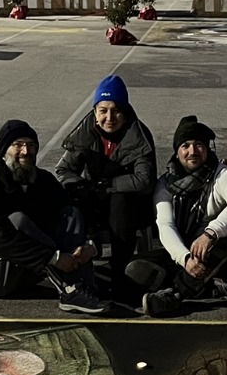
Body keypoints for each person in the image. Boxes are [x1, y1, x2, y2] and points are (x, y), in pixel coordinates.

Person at [0, 119, 107, 315]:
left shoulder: (42, 179)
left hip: (29, 268)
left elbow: (74, 208)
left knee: (70, 213)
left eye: (31, 145)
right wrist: (53, 258)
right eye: (18, 145)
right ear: (4, 150)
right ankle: (69, 290)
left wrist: (91, 244)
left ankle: (82, 286)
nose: (26, 151)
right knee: (17, 221)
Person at [124, 115, 227, 317]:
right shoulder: (166, 183)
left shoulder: (221, 174)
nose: (192, 151)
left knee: (225, 238)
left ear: (207, 148)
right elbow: (165, 225)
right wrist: (185, 258)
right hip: (185, 252)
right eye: (185, 146)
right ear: (177, 151)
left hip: (214, 252)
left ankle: (175, 295)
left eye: (199, 144)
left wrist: (211, 233)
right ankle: (208, 286)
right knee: (134, 269)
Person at [55, 75, 157, 299]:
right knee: (73, 196)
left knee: (120, 201)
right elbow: (63, 170)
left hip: (131, 205)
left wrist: (109, 185)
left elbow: (144, 179)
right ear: (95, 112)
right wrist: (82, 186)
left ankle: (120, 273)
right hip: (95, 199)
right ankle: (79, 267)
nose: (109, 118)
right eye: (103, 111)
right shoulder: (86, 132)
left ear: (125, 112)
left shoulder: (138, 135)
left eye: (116, 111)